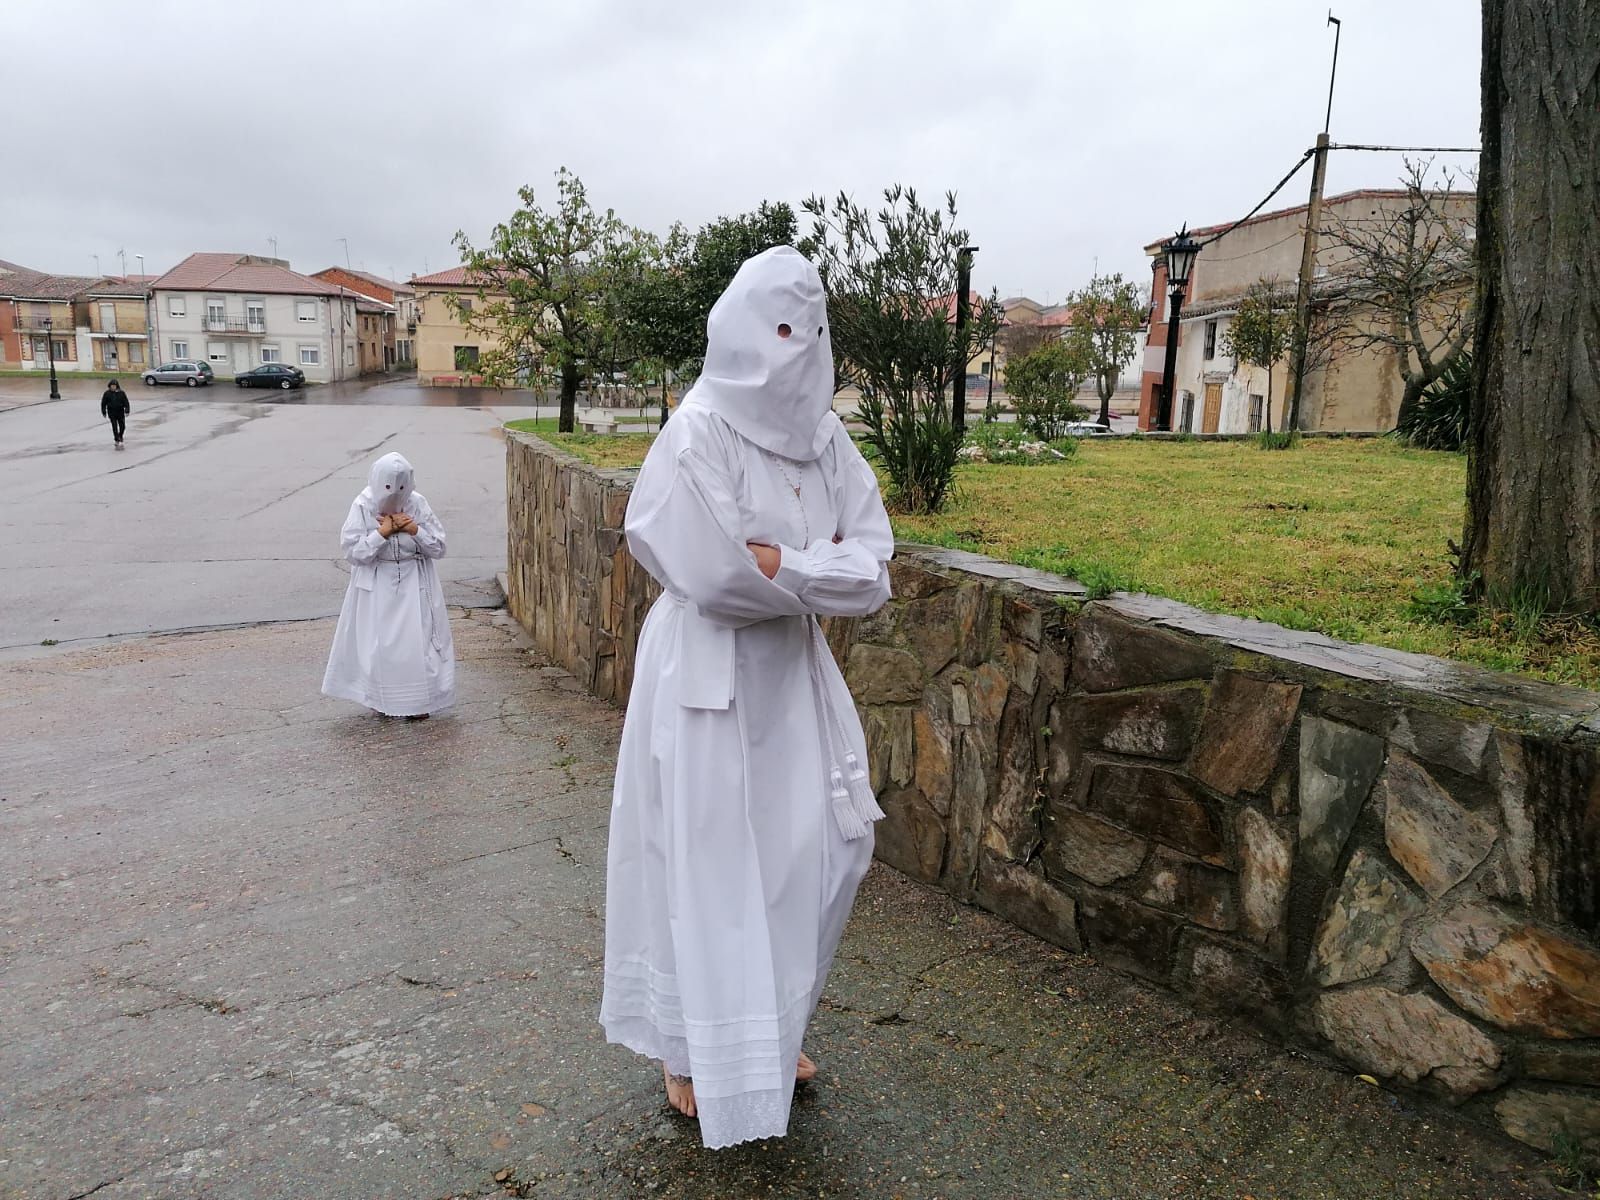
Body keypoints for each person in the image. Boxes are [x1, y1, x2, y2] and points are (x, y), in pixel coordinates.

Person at [600, 246, 895, 1149]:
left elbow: (875, 566)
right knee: (710, 864)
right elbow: (717, 576)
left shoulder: (827, 440)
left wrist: (786, 563)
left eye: (806, 332)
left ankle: (769, 1033)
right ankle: (694, 1052)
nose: (789, 350)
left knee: (813, 857)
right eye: (774, 327)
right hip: (708, 680)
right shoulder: (697, 431)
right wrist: (808, 568)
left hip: (793, 675)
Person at [321, 452, 455, 719]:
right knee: (379, 645)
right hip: (378, 585)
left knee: (417, 643)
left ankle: (417, 702)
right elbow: (353, 552)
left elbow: (439, 547)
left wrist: (414, 530)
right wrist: (381, 535)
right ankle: (382, 699)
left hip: (415, 584)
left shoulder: (418, 504)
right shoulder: (362, 505)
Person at [100, 380, 130, 448]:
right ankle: (116, 439)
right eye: (112, 386)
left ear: (117, 386)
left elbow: (126, 402)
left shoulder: (121, 393)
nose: (113, 387)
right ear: (109, 386)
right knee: (114, 426)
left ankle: (120, 436)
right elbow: (103, 403)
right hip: (111, 412)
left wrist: (127, 410)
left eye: (114, 386)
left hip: (120, 412)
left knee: (122, 426)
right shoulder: (107, 393)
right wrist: (104, 411)